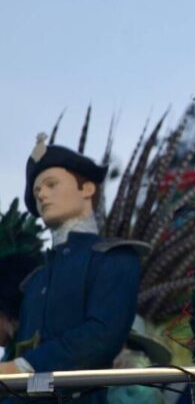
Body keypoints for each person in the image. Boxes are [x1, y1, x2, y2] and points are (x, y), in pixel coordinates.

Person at [0, 136, 144, 404]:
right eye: (37, 191)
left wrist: (24, 368)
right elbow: (19, 350)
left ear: (87, 188)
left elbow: (100, 337)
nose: (41, 194)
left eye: (51, 184)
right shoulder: (35, 281)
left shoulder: (114, 258)